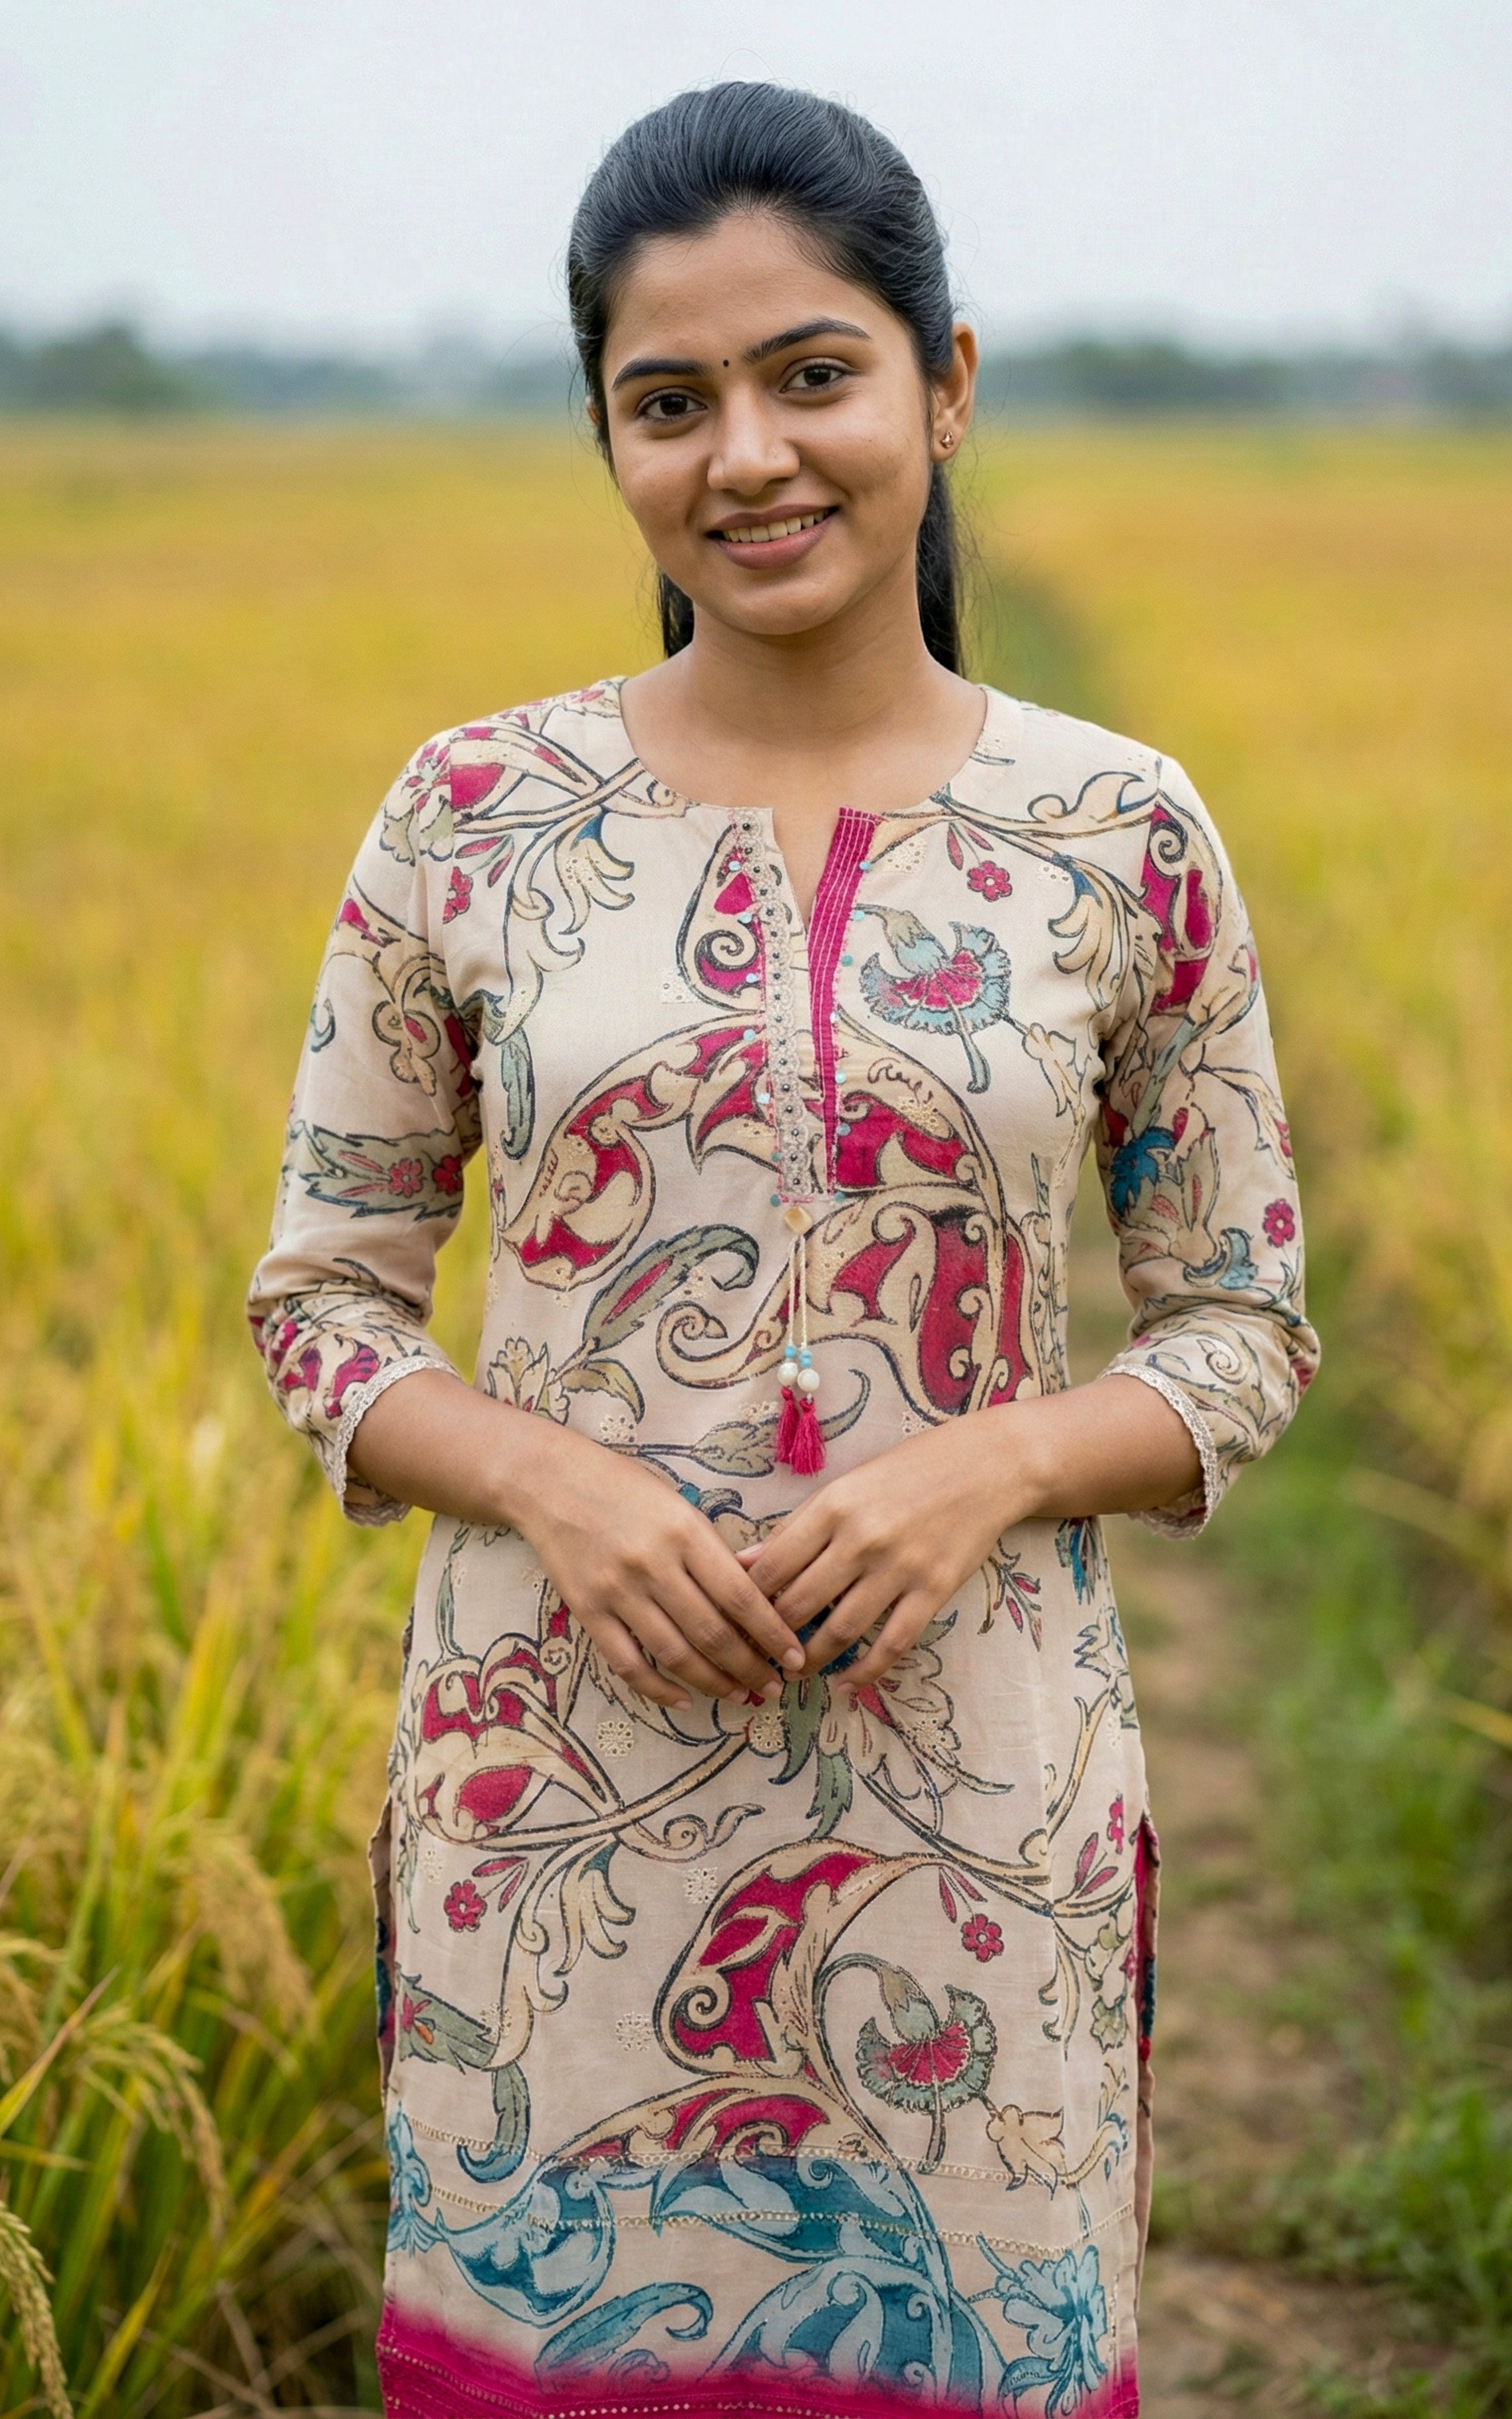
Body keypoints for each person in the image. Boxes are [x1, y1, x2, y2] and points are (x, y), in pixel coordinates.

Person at [248, 80, 1317, 2419]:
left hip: (981, 1829)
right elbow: (321, 1301)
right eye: (666, 399)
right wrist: (555, 1478)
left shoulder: (1115, 830)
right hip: (559, 1841)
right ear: (608, 439)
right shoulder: (473, 817)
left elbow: (1239, 1326)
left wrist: (1001, 1460)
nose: (744, 451)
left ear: (940, 383)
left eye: (810, 372)